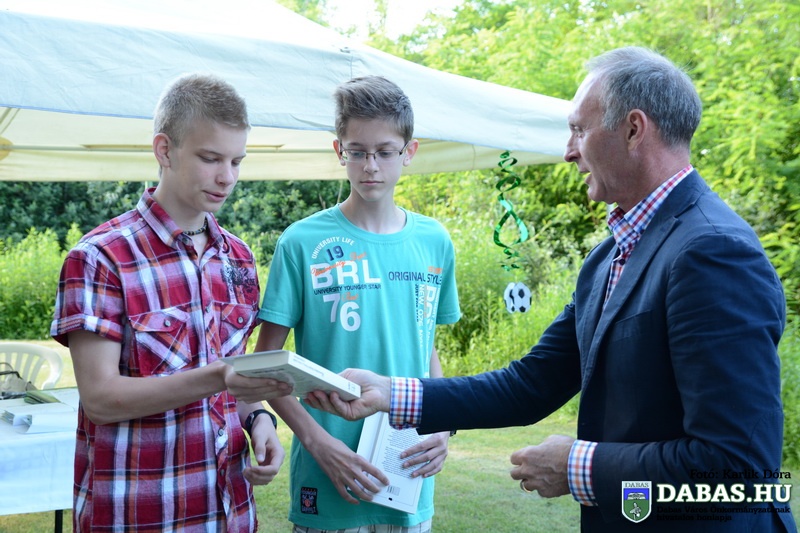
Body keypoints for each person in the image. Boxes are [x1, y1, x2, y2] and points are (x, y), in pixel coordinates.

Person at [305, 47, 797, 532]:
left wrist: (578, 467)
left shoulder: (713, 252)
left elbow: (736, 471)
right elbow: (531, 385)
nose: (568, 150)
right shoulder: (609, 256)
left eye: (579, 130)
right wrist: (392, 393)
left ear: (633, 129)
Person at [50, 73, 293, 532]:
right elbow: (101, 399)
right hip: (140, 515)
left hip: (229, 512)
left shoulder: (238, 257)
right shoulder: (102, 257)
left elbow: (236, 383)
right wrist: (218, 376)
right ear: (164, 150)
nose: (227, 177)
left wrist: (259, 419)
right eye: (210, 158)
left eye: (237, 161)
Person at [254, 75, 461, 533]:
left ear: (409, 151)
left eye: (385, 151)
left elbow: (425, 347)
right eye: (357, 151)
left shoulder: (435, 241)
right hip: (328, 474)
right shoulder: (301, 241)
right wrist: (317, 443)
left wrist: (443, 424)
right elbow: (266, 363)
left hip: (408, 475)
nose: (371, 166)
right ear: (339, 151)